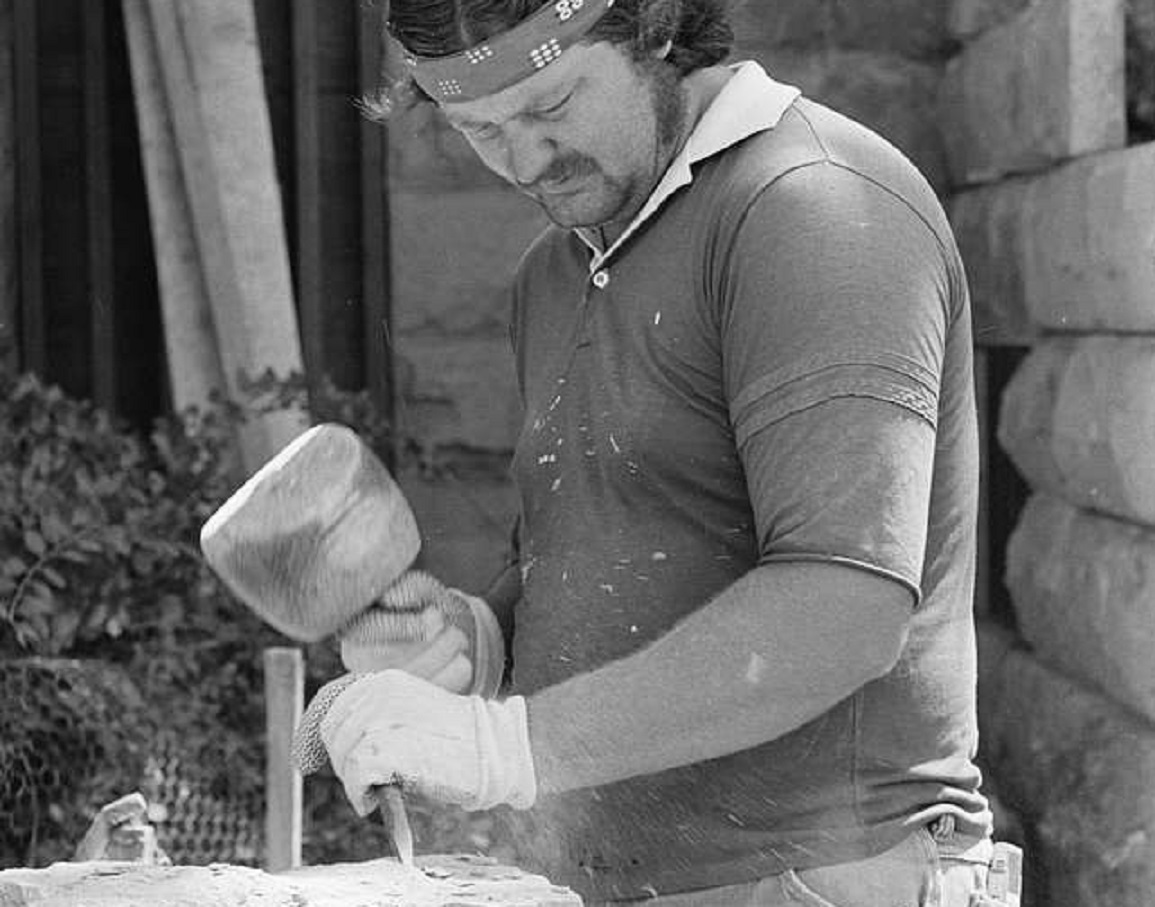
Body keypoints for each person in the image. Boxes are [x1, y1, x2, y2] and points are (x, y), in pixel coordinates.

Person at [318, 1, 1001, 903]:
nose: (523, 162)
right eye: (478, 129)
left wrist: (511, 746)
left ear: (657, 26)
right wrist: (477, 643)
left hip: (814, 871)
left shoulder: (815, 206)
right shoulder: (555, 270)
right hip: (610, 879)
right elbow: (613, 560)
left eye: (552, 105)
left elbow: (842, 605)